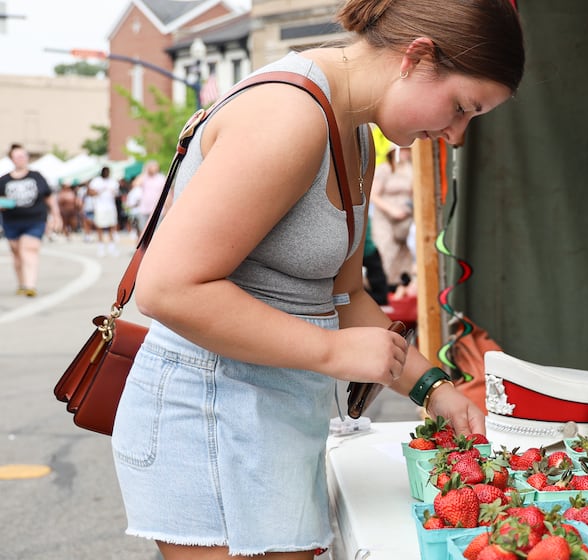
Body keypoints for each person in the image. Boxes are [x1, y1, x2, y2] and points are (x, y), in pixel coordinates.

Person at [111, 0, 524, 558]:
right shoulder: (289, 115)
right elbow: (167, 289)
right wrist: (330, 353)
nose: (456, 136)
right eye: (461, 107)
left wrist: (436, 390)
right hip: (211, 419)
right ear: (417, 56)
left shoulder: (351, 128)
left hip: (267, 417)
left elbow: (345, 294)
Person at [0, 144, 62, 296]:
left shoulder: (36, 176)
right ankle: (22, 283)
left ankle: (30, 285)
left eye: (23, 156)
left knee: (28, 249)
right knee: (17, 253)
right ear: (12, 159)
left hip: (35, 220)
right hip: (11, 221)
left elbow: (49, 198)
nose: (21, 159)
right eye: (17, 156)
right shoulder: (3, 180)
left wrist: (56, 215)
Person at [370, 144, 415, 287]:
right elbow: (372, 195)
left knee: (402, 262)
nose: (406, 153)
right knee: (385, 256)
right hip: (385, 221)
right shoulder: (385, 169)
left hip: (404, 222)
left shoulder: (411, 170)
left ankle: (399, 294)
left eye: (408, 149)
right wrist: (391, 210)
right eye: (403, 149)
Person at [87, 166, 119, 257]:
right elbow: (89, 192)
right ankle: (101, 248)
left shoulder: (113, 182)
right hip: (100, 208)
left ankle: (111, 247)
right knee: (100, 227)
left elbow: (116, 193)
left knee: (111, 227)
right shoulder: (96, 181)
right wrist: (99, 192)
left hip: (110, 207)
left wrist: (113, 192)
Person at [132, 160, 167, 235]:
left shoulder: (161, 178)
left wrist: (167, 208)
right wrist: (145, 172)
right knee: (143, 231)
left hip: (157, 209)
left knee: (155, 232)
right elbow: (135, 184)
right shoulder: (144, 177)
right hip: (144, 209)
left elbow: (166, 194)